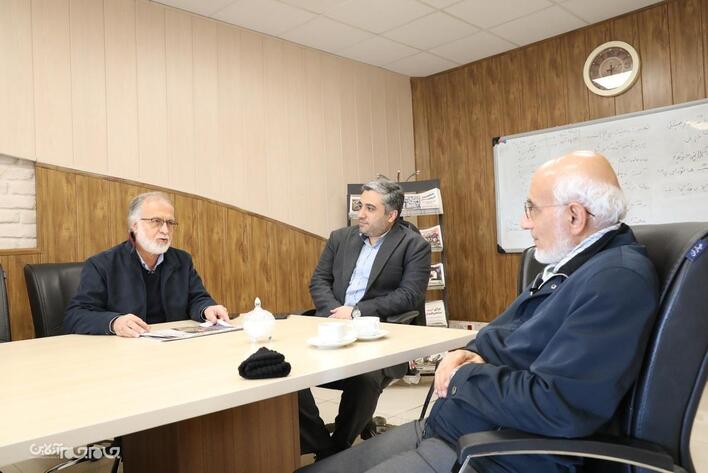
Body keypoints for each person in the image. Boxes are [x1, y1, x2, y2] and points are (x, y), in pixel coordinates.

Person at [297, 151, 660, 473]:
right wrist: (467, 352)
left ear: (575, 216)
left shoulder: (615, 280)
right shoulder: (571, 267)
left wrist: (462, 376)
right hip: (454, 428)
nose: (525, 223)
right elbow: (503, 333)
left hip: (490, 453)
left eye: (532, 209)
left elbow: (559, 405)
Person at [300, 178, 432, 460]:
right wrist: (335, 312)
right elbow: (319, 281)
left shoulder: (414, 245)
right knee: (284, 368)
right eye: (360, 206)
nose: (360, 214)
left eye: (370, 209)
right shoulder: (339, 238)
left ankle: (339, 446)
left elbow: (409, 295)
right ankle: (321, 443)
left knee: (365, 378)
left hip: (378, 334)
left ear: (391, 215)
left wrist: (356, 312)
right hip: (333, 326)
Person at [64, 191, 229, 337]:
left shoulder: (182, 260)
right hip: (126, 350)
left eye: (170, 223)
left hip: (174, 347)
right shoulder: (102, 264)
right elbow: (76, 315)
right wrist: (114, 322)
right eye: (156, 221)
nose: (165, 230)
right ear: (134, 226)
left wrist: (207, 309)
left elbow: (197, 298)